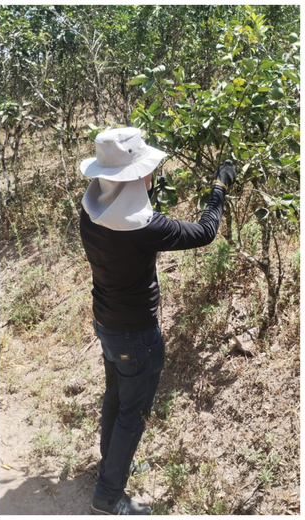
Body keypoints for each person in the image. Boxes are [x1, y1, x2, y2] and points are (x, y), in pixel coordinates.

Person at [79, 127, 235, 515]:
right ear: (135, 177)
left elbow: (128, 211)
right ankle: (108, 496)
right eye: (146, 172)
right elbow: (204, 232)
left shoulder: (89, 212)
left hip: (106, 325)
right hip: (137, 338)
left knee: (115, 399)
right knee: (133, 415)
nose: (151, 177)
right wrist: (219, 186)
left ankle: (112, 467)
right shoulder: (146, 228)